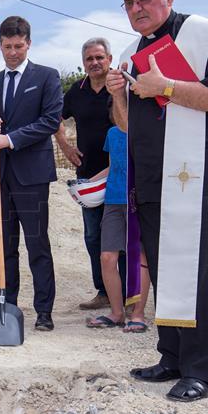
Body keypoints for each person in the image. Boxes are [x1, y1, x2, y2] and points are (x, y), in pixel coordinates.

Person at [107, 0, 208, 402]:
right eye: (128, 3)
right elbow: (125, 127)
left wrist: (164, 87)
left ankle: (203, 371)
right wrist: (118, 95)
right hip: (152, 182)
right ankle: (173, 356)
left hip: (197, 181)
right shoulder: (132, 54)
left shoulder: (202, 35)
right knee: (166, 271)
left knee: (199, 276)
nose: (137, 9)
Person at [0, 16, 63, 331]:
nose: (12, 52)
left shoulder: (46, 77)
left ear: (28, 43)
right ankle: (8, 308)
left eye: (18, 46)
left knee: (37, 244)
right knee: (4, 244)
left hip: (32, 176)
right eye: (7, 46)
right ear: (0, 45)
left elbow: (50, 121)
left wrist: (8, 138)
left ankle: (44, 311)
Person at [55, 38, 118, 311]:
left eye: (99, 57)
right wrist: (66, 146)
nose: (95, 63)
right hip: (88, 177)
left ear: (109, 59)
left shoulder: (120, 86)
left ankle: (128, 293)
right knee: (93, 236)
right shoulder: (76, 91)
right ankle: (103, 292)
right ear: (83, 63)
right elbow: (54, 117)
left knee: (121, 237)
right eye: (89, 59)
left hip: (121, 174)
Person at [85, 122, 151, 332]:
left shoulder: (146, 130)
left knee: (140, 257)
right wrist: (84, 184)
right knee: (107, 257)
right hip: (112, 200)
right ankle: (116, 313)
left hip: (138, 200)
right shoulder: (112, 133)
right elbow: (114, 166)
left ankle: (138, 314)